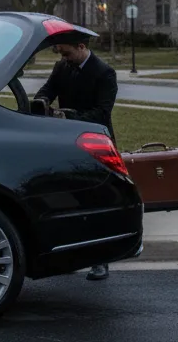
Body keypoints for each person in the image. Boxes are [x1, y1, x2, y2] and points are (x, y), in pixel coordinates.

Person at [34, 38, 118, 281]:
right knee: (68, 200)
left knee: (97, 202)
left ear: (81, 47)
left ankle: (100, 260)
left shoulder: (104, 73)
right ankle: (71, 256)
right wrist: (42, 100)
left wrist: (67, 117)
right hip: (66, 143)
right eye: (61, 54)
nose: (64, 59)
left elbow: (102, 113)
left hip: (96, 144)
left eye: (67, 54)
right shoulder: (63, 67)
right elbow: (49, 88)